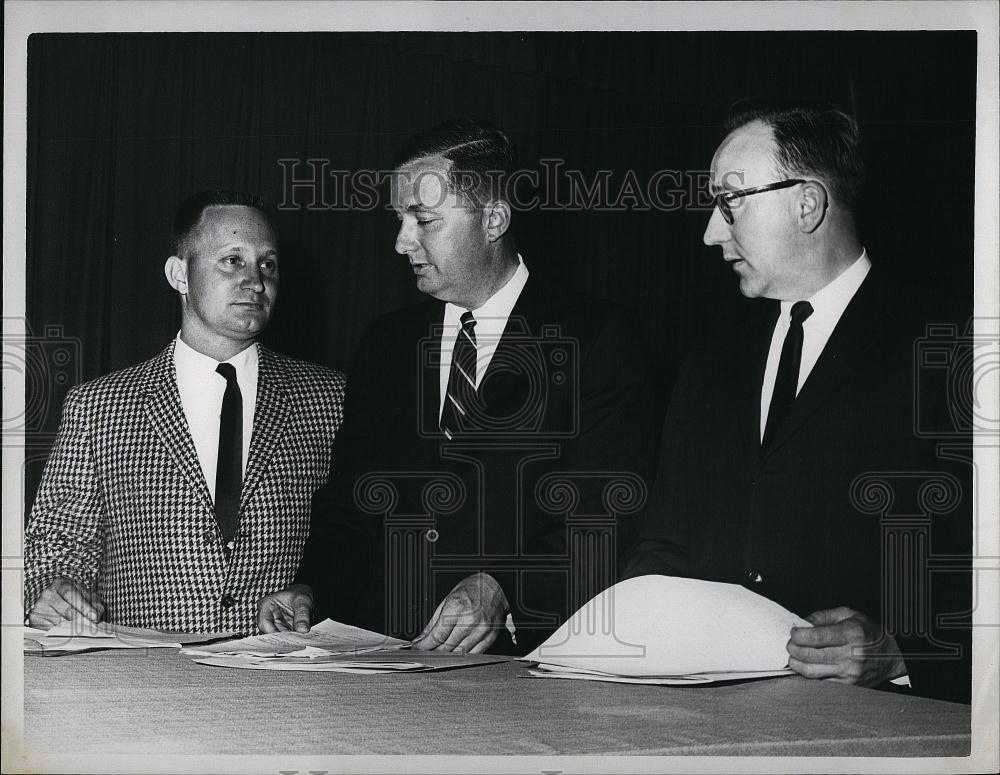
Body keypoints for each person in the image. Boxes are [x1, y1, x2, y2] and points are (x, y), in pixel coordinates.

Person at [259, 118, 658, 653]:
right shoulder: (385, 344)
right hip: (378, 659)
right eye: (400, 219)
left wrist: (505, 590)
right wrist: (310, 586)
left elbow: (609, 513)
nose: (402, 242)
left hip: (522, 667)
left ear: (493, 218)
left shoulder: (601, 338)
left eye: (423, 220)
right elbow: (350, 505)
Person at [623, 99, 972, 703]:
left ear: (806, 204)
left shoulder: (951, 345)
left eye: (729, 202)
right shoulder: (709, 357)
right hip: (701, 712)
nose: (710, 231)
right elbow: (665, 539)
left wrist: (901, 650)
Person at [24, 190, 346, 634]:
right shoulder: (99, 406)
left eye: (267, 264)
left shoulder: (329, 398)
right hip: (147, 687)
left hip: (288, 686)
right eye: (232, 260)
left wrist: (316, 590)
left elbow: (352, 542)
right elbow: (55, 547)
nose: (255, 281)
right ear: (179, 274)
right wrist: (52, 591)